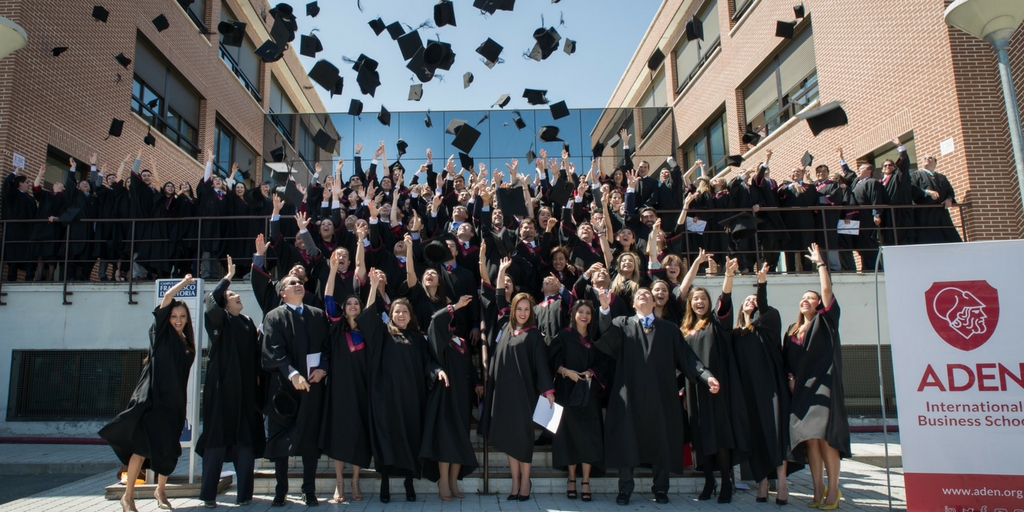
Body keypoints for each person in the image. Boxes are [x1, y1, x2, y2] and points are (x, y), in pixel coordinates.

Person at [595, 286, 721, 506]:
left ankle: (661, 488)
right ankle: (625, 489)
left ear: (655, 304)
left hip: (661, 396)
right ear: (633, 304)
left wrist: (706, 375)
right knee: (627, 440)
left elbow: (687, 358)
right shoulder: (622, 324)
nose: (643, 295)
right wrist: (605, 309)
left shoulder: (669, 329)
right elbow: (606, 335)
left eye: (648, 295)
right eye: (638, 294)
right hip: (629, 395)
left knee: (662, 440)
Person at [99, 275, 197, 512]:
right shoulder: (161, 333)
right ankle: (128, 496)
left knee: (167, 448)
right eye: (174, 316)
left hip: (174, 404)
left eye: (182, 317)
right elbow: (167, 297)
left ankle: (160, 491)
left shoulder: (187, 344)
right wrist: (184, 284)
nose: (178, 320)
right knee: (141, 449)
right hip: (152, 400)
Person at [359, 269, 443, 503]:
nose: (401, 314)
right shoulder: (383, 335)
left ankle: (408, 483)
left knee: (409, 440)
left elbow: (429, 363)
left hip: (411, 399)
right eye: (397, 311)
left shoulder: (417, 338)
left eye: (405, 311)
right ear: (391, 315)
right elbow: (366, 316)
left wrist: (438, 371)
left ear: (410, 315)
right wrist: (374, 287)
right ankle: (385, 483)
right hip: (385, 398)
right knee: (387, 439)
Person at [785, 243, 850, 510]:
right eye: (803, 298)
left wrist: (820, 264)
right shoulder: (792, 329)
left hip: (824, 385)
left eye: (811, 298)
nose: (807, 300)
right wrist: (790, 376)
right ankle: (817, 489)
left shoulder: (826, 321)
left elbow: (826, 291)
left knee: (825, 438)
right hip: (802, 388)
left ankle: (833, 490)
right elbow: (787, 359)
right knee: (809, 439)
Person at [197, 256, 264, 508]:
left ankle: (245, 494)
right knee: (216, 441)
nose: (237, 296)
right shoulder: (219, 320)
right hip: (221, 388)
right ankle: (208, 495)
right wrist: (228, 277)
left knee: (245, 441)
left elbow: (257, 356)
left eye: (236, 293)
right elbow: (211, 300)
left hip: (246, 392)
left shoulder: (247, 323)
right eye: (232, 294)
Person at [680, 257, 748, 503]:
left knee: (719, 435)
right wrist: (683, 393)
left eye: (703, 299)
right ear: (690, 304)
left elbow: (726, 300)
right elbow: (683, 363)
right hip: (694, 389)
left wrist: (728, 276)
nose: (699, 302)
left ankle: (726, 482)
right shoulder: (686, 330)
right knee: (700, 436)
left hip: (717, 388)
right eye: (695, 299)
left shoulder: (717, 324)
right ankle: (708, 480)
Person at [261, 273, 330, 507]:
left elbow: (327, 347)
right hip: (284, 390)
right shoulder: (273, 317)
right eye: (292, 283)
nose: (298, 284)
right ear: (282, 293)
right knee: (281, 440)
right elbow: (274, 350)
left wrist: (323, 369)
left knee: (310, 440)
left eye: (300, 282)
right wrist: (292, 373)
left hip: (312, 387)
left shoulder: (318, 316)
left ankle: (308, 490)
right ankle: (281, 490)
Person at [479, 291, 555, 502]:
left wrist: (548, 391)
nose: (522, 313)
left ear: (531, 312)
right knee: (510, 440)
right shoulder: (505, 330)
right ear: (513, 310)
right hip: (503, 394)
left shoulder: (533, 335)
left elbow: (541, 364)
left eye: (526, 309)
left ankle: (525, 483)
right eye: (519, 308)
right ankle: (514, 483)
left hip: (524, 394)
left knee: (523, 439)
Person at [733, 262, 797, 504]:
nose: (751, 302)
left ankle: (781, 482)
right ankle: (762, 482)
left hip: (773, 389)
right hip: (750, 393)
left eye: (754, 300)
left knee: (776, 434)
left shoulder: (769, 321)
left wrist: (761, 283)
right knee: (758, 435)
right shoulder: (738, 333)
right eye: (746, 300)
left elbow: (763, 303)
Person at [320, 251, 371, 503]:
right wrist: (332, 270)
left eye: (356, 304)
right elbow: (328, 296)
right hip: (339, 389)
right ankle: (339, 482)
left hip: (361, 388)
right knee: (340, 433)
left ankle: (355, 480)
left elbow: (372, 307)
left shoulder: (367, 332)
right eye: (349, 304)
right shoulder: (337, 327)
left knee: (360, 434)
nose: (352, 306)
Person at [548, 300, 610, 502]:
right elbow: (551, 361)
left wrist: (591, 373)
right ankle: (571, 479)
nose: (584, 316)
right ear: (573, 314)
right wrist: (566, 371)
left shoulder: (596, 338)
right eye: (580, 312)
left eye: (588, 313)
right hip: (567, 392)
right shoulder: (564, 336)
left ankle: (586, 481)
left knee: (589, 437)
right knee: (569, 437)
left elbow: (604, 363)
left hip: (589, 394)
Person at [421, 295, 480, 501]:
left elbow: (470, 368)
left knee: (461, 439)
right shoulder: (440, 342)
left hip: (462, 398)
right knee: (446, 441)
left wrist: (478, 383)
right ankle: (443, 481)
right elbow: (436, 320)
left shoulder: (463, 342)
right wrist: (454, 305)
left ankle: (454, 481)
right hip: (445, 396)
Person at [911, 154, 962, 244]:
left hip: (941, 214)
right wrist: (926, 192)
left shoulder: (942, 177)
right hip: (924, 214)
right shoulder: (915, 175)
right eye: (924, 158)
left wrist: (949, 199)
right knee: (928, 239)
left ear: (935, 162)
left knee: (950, 239)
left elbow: (950, 191)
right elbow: (912, 189)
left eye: (930, 158)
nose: (927, 159)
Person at [2, 164, 39, 281]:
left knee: (29, 255)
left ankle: (29, 278)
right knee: (13, 256)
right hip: (15, 230)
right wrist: (15, 172)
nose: (29, 184)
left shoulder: (31, 198)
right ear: (20, 183)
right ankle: (11, 278)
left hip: (28, 231)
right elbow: (6, 184)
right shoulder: (13, 195)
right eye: (27, 182)